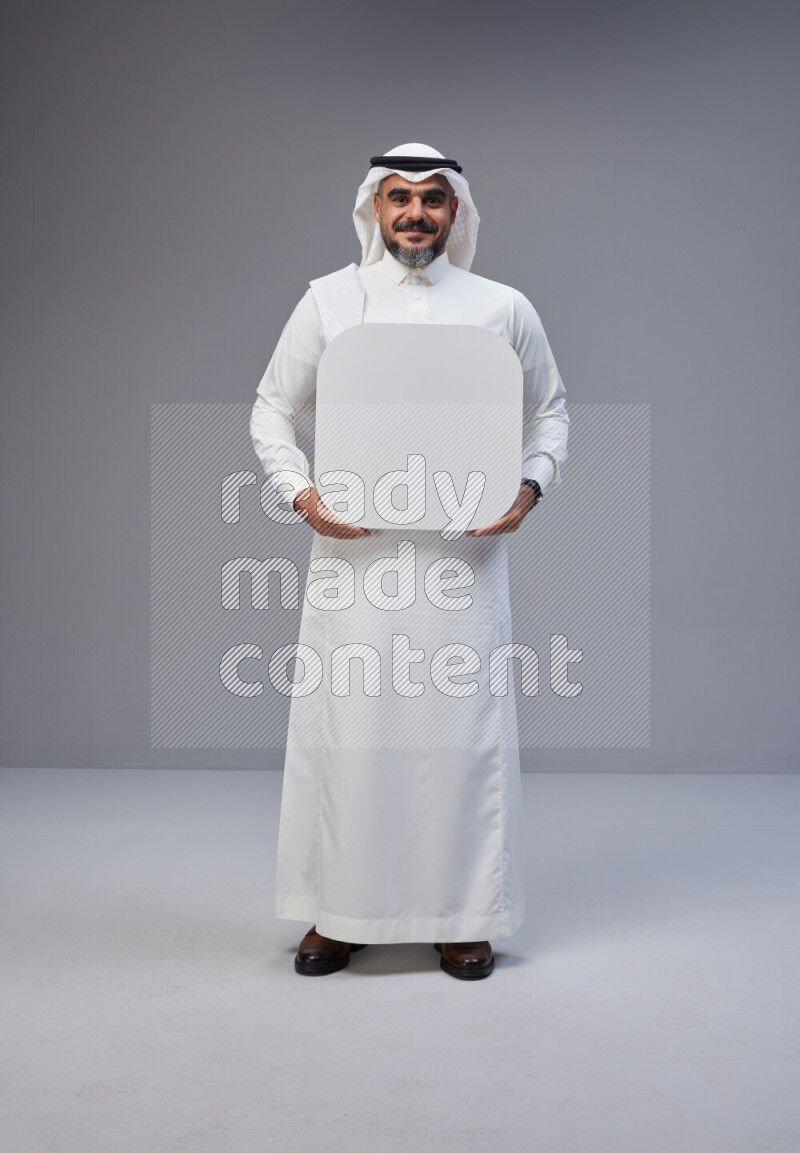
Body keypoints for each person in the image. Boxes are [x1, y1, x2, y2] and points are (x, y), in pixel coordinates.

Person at [250, 142, 568, 980]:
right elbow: (271, 409)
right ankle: (339, 913)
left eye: (433, 198)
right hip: (353, 568)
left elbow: (550, 412)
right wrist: (302, 494)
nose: (416, 212)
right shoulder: (329, 301)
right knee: (350, 736)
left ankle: (464, 915)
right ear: (374, 208)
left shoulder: (503, 307)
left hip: (463, 569)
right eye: (399, 197)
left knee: (458, 740)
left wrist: (528, 491)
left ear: (456, 211)